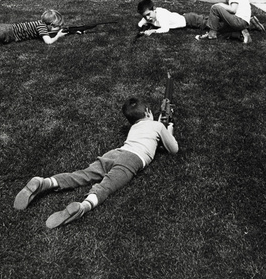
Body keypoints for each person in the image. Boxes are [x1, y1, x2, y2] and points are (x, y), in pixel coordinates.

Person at [13, 96, 178, 229]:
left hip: (115, 153)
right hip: (132, 159)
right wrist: (168, 128)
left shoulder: (134, 128)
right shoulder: (157, 126)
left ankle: (46, 182)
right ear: (149, 112)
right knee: (106, 186)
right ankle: (83, 207)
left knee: (83, 174)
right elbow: (173, 149)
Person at [136, 0, 208, 35]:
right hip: (185, 16)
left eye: (148, 14)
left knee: (207, 24)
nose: (148, 18)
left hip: (189, 20)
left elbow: (165, 29)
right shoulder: (149, 17)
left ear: (154, 9)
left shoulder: (161, 15)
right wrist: (142, 25)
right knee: (205, 18)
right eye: (145, 16)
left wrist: (152, 31)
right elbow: (141, 22)